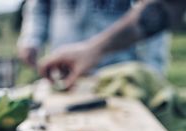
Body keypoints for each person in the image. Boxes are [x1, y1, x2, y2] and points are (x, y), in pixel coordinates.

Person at [18, 0, 170, 87]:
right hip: (63, 69)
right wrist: (31, 37)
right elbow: (39, 6)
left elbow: (158, 11)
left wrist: (152, 72)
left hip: (118, 74)